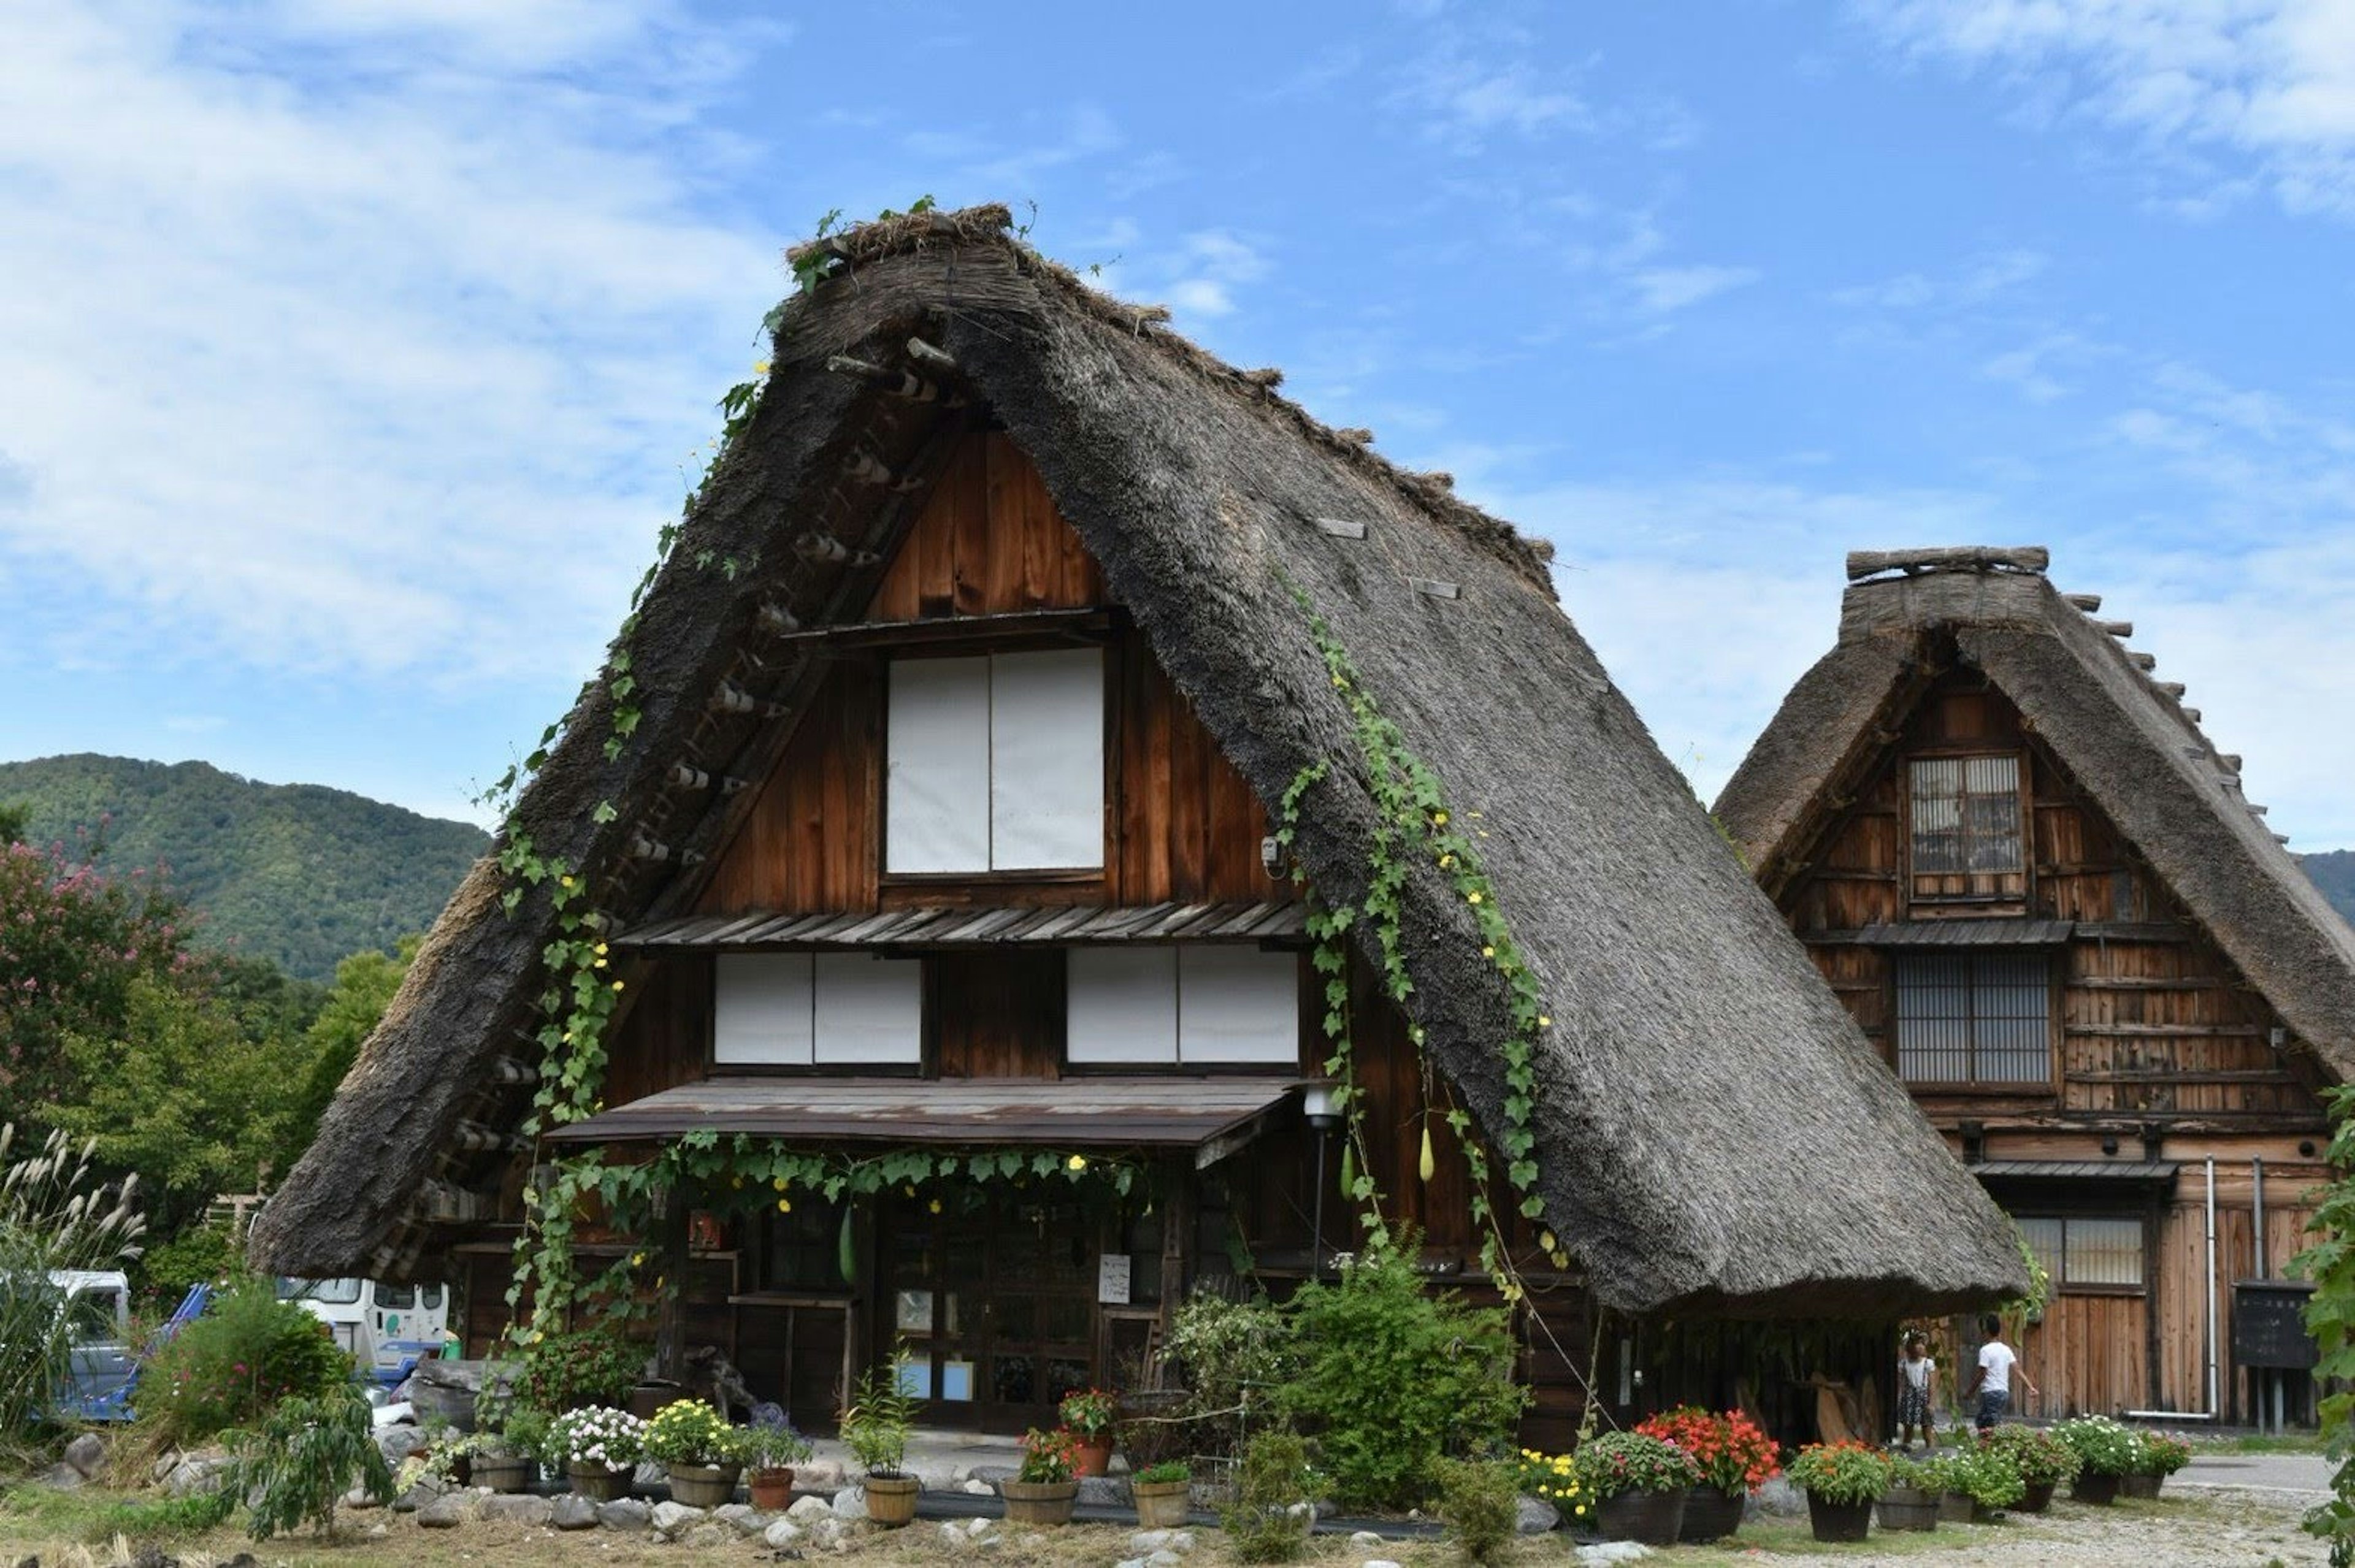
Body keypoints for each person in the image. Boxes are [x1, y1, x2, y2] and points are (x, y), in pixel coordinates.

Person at [1964, 1312, 2037, 1430]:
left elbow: (1982, 1374)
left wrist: (1970, 1391)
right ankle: (1986, 1444)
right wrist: (2030, 1387)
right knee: (1982, 1421)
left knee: (1990, 1424)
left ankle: (1992, 1445)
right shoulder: (2006, 1350)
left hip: (1991, 1392)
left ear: (1986, 1331)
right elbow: (2017, 1369)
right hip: (2003, 1392)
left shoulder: (1985, 1350)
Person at [1894, 1330, 1938, 1451]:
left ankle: (1932, 1454)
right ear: (1909, 1347)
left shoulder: (1928, 1364)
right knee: (1908, 1431)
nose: (1919, 1347)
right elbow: (1901, 1384)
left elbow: (1932, 1385)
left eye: (1922, 1344)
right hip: (1909, 1397)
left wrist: (1931, 1403)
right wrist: (1899, 1399)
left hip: (1923, 1398)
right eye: (1916, 1344)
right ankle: (1906, 1454)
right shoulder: (1904, 1364)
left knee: (1927, 1431)